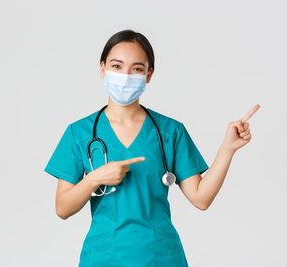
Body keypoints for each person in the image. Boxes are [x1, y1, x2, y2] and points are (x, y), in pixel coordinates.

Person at [44, 29, 260, 266]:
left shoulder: (169, 132)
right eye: (117, 66)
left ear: (149, 75)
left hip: (162, 257)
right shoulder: (80, 133)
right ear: (102, 68)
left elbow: (201, 199)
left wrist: (228, 148)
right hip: (104, 257)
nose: (126, 75)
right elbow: (62, 208)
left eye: (137, 68)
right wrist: (94, 178)